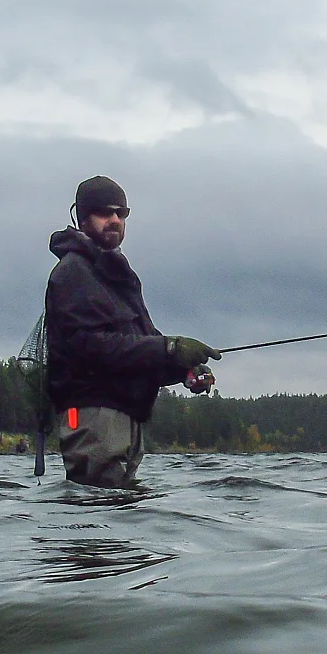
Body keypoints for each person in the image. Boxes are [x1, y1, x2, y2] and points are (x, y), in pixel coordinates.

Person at [43, 175, 220, 488]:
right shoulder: (72, 272)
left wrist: (182, 369)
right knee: (96, 521)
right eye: (104, 212)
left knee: (121, 520)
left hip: (122, 419)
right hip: (91, 417)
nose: (114, 220)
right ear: (83, 218)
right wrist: (169, 348)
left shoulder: (116, 275)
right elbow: (90, 347)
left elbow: (138, 348)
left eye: (121, 213)